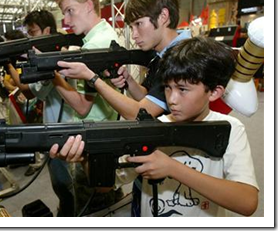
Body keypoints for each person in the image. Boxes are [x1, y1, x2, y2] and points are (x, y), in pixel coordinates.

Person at [50, 36, 259, 217]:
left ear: (214, 92)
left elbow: (247, 202)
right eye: (167, 88)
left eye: (183, 89)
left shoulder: (231, 128)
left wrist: (172, 168)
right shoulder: (151, 127)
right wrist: (87, 157)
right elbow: (106, 186)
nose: (172, 99)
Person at [56, 0, 191, 215]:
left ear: (164, 16)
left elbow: (141, 112)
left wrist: (92, 78)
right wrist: (129, 82)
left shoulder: (180, 57)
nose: (134, 34)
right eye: (131, 26)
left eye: (139, 24)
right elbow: (153, 100)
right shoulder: (162, 55)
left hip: (178, 161)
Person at [7, 10, 78, 216]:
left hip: (64, 129)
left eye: (33, 32)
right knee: (62, 184)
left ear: (47, 30)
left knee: (64, 184)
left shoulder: (59, 57)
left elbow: (32, 91)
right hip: (55, 125)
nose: (30, 37)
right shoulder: (48, 57)